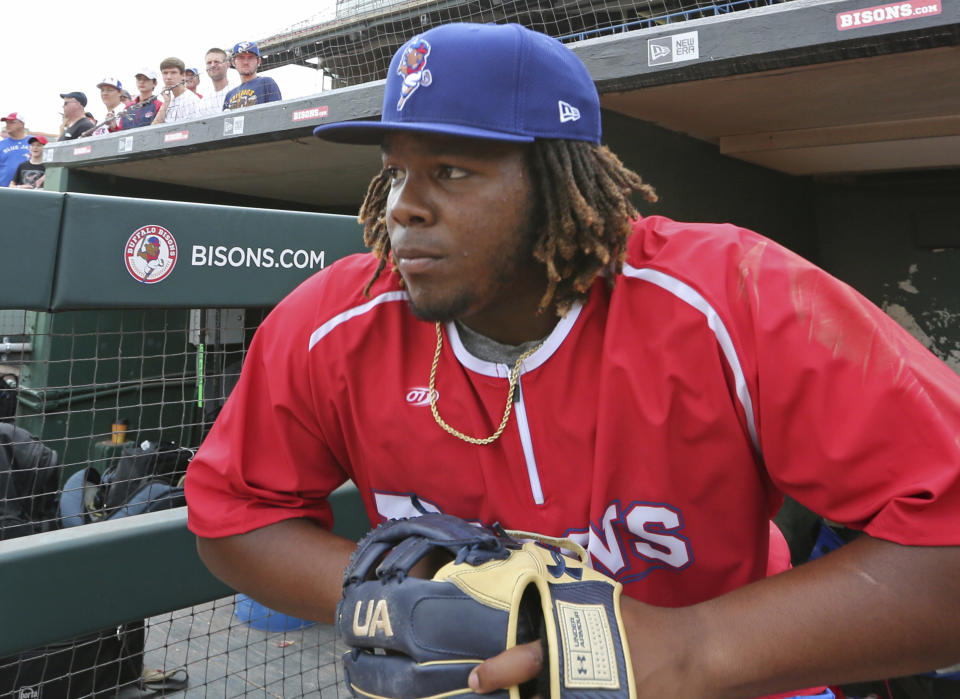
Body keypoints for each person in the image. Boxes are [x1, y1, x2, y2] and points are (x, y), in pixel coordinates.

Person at [185, 22, 960, 699]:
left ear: (559, 178)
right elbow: (234, 512)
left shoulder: (734, 294)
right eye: (394, 170)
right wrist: (405, 595)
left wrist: (684, 653)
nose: (402, 206)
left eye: (451, 170)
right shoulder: (332, 323)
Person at [222, 41, 281, 110]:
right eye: (241, 58)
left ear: (258, 61)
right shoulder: (229, 95)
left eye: (250, 57)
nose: (246, 62)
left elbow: (277, 114)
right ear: (233, 62)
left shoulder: (266, 83)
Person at [153, 57, 201, 124]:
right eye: (165, 73)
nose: (168, 77)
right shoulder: (168, 101)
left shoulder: (192, 100)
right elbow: (154, 129)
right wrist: (166, 103)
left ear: (183, 75)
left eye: (173, 72)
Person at [198, 48, 236, 116]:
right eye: (209, 63)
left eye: (216, 62)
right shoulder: (204, 101)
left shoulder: (237, 90)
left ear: (227, 65)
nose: (212, 65)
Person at [0, 112, 30, 188]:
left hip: (29, 191)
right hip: (4, 190)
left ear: (22, 124)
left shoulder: (33, 142)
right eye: (7, 123)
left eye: (12, 122)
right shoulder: (1, 144)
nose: (8, 125)